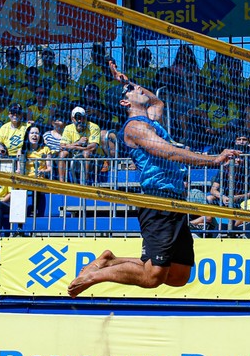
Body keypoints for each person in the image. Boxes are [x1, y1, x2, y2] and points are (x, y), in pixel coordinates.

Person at [67, 61, 239, 298]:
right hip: (157, 200)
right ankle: (95, 276)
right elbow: (169, 152)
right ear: (125, 103)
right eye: (132, 91)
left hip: (175, 199)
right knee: (153, 276)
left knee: (179, 275)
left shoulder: (151, 119)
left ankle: (109, 261)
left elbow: (158, 102)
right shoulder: (134, 128)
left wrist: (128, 82)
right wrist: (213, 160)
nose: (140, 89)